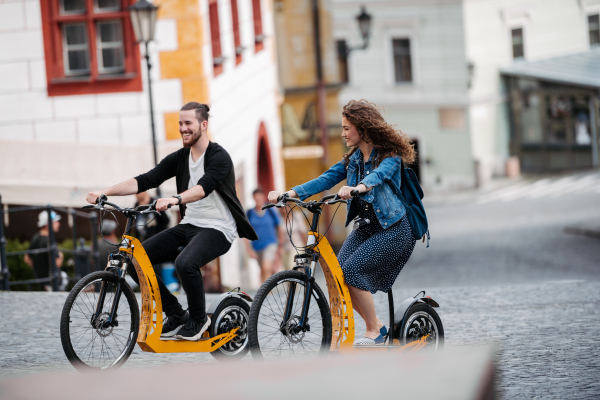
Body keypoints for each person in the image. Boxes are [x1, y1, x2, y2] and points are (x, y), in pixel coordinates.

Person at [86, 102, 258, 341]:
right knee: (137, 260)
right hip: (190, 225)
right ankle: (177, 314)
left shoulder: (219, 157)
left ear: (203, 125)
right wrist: (104, 192)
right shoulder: (180, 157)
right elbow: (146, 180)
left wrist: (175, 199)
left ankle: (199, 320)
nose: (183, 128)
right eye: (180, 124)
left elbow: (203, 188)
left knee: (185, 262)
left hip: (219, 228)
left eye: (188, 123)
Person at [268, 99, 417, 346]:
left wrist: (358, 187)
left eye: (347, 128)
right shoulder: (353, 161)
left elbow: (378, 177)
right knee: (339, 277)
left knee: (352, 271)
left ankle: (374, 330)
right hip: (367, 228)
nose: (343, 133)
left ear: (364, 129)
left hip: (395, 230)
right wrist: (289, 194)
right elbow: (325, 179)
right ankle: (378, 326)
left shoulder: (389, 158)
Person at [246, 188, 285, 283]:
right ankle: (263, 291)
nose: (258, 200)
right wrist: (249, 250)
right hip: (257, 247)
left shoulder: (271, 211)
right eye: (256, 198)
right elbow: (245, 233)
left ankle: (268, 293)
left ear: (263, 197)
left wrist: (280, 245)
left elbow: (279, 228)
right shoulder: (250, 213)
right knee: (263, 270)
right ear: (253, 198)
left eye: (259, 197)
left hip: (271, 244)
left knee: (266, 267)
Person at [24, 210, 64, 291]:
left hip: (41, 281)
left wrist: (39, 270)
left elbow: (27, 258)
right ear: (47, 224)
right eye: (55, 222)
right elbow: (57, 264)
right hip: (52, 281)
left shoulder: (35, 237)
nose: (58, 224)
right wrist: (61, 255)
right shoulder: (49, 240)